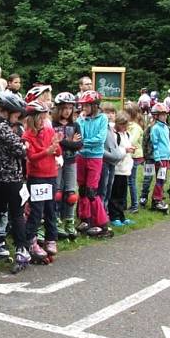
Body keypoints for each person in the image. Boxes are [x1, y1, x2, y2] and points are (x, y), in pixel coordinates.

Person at [0, 91, 29, 262]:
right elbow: (21, 150)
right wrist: (24, 145)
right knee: (17, 213)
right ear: (7, 111)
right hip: (12, 179)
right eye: (16, 114)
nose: (18, 118)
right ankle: (22, 247)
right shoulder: (3, 128)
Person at [23, 101, 61, 261]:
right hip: (37, 177)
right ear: (32, 118)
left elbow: (58, 151)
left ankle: (51, 238)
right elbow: (32, 157)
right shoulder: (27, 135)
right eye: (40, 117)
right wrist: (47, 151)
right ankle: (30, 240)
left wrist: (55, 145)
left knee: (51, 209)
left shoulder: (49, 130)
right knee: (37, 211)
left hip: (51, 175)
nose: (42, 120)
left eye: (44, 117)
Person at [75, 91, 111, 237]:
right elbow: (79, 137)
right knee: (82, 189)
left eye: (86, 105)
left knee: (92, 191)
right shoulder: (81, 119)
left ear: (95, 105)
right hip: (81, 156)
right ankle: (85, 219)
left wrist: (84, 143)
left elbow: (100, 139)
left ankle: (102, 223)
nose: (84, 108)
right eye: (83, 105)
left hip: (95, 157)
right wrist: (82, 142)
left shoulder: (103, 118)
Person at [52, 92, 82, 239]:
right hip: (56, 162)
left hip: (71, 162)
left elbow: (79, 144)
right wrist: (70, 141)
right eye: (64, 108)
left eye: (70, 108)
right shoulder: (52, 125)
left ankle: (69, 222)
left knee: (71, 194)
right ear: (58, 109)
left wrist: (62, 141)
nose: (67, 111)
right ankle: (56, 220)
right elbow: (53, 143)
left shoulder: (75, 125)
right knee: (56, 193)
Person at [109, 111, 135, 226]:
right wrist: (126, 150)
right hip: (117, 169)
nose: (124, 127)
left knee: (122, 195)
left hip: (125, 169)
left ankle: (121, 216)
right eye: (122, 125)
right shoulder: (114, 135)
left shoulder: (126, 134)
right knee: (115, 194)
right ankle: (114, 216)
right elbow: (115, 151)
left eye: (126, 125)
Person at [149, 103, 170, 212]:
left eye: (165, 114)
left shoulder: (166, 127)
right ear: (156, 116)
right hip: (160, 158)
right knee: (160, 179)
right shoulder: (155, 128)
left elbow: (168, 143)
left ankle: (159, 197)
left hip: (166, 157)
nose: (164, 116)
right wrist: (158, 158)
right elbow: (155, 144)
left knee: (163, 179)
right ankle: (156, 200)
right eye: (162, 115)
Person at [124, 104, 144, 213]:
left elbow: (132, 141)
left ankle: (135, 205)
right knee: (127, 181)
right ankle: (126, 204)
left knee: (131, 181)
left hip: (134, 156)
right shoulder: (128, 125)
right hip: (128, 155)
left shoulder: (135, 127)